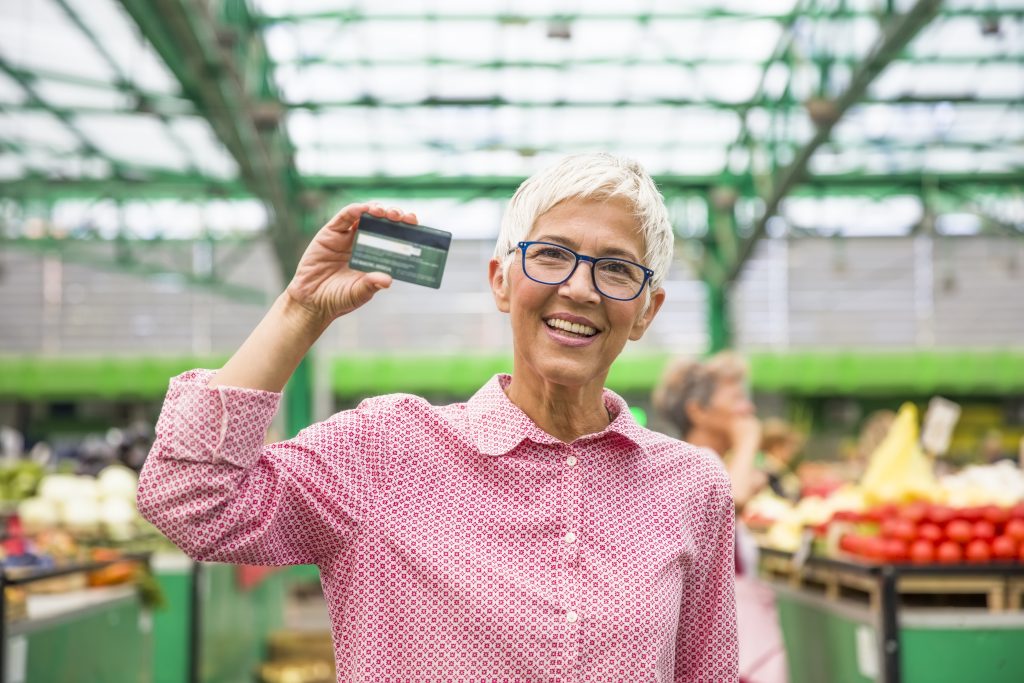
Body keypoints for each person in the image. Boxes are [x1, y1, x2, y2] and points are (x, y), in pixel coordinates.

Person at [137, 153, 738, 681]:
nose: (580, 288)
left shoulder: (691, 487)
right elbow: (189, 500)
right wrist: (299, 312)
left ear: (645, 312)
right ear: (501, 282)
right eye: (552, 255)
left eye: (616, 269)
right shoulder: (385, 451)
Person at [653, 353, 786, 683]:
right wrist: (749, 439)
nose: (748, 410)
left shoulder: (700, 465)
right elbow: (732, 498)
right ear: (698, 411)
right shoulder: (696, 463)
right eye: (737, 399)